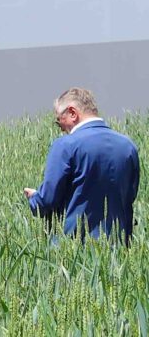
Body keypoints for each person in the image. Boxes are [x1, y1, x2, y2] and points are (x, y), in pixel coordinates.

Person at [23, 88, 140, 243]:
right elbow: (129, 196)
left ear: (72, 113)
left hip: (73, 250)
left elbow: (48, 200)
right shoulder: (128, 146)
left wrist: (34, 198)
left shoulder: (66, 145)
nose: (61, 129)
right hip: (117, 252)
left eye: (59, 122)